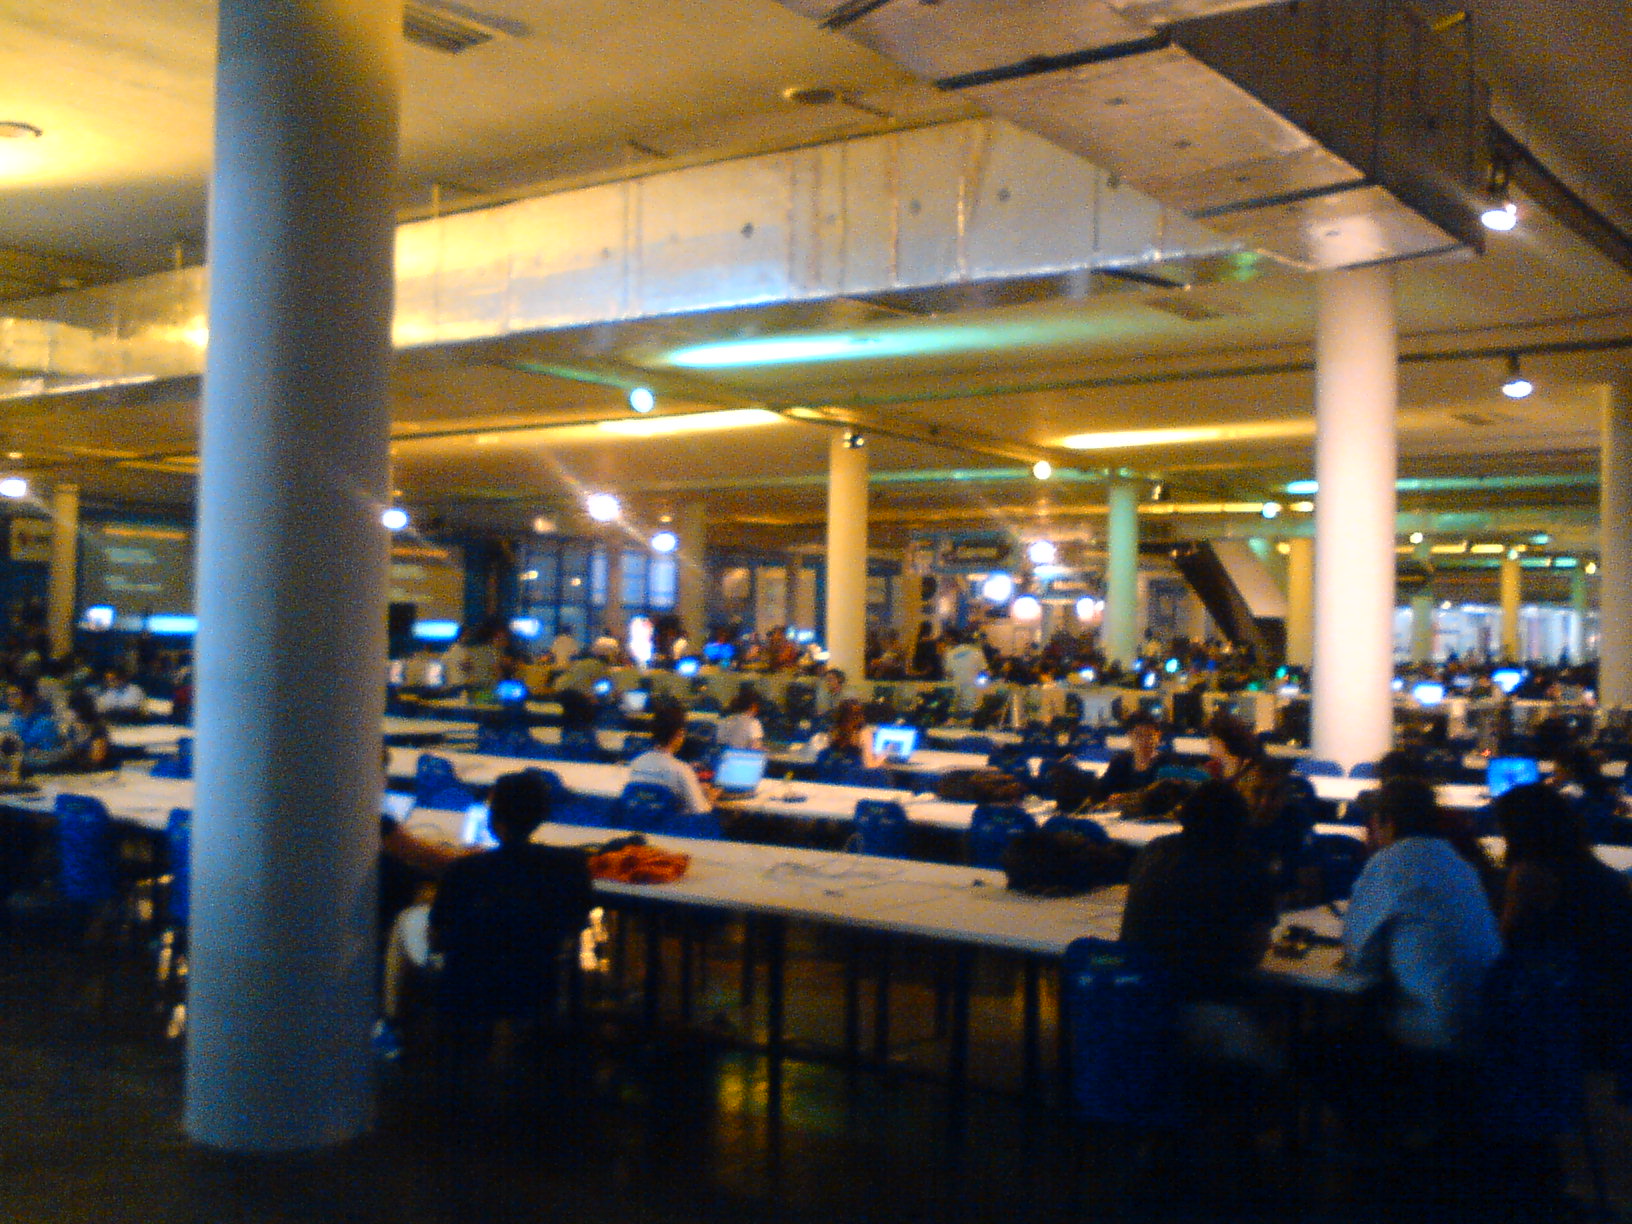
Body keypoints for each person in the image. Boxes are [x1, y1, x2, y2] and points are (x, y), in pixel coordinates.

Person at [378, 770, 594, 1049]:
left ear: (494, 818)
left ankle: (391, 1022)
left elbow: (437, 936)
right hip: (537, 983)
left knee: (406, 922)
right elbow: (577, 921)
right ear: (542, 815)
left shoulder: (465, 871)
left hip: (469, 987)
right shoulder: (571, 866)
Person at [1343, 777, 1502, 1054]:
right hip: (1484, 1029)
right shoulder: (1458, 862)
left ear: (1387, 822)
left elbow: (1359, 957)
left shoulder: (1389, 863)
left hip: (1427, 1036)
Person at [1494, 782, 1632, 1065]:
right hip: (1612, 1003)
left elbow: (1503, 946)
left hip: (1572, 1012)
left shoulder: (1531, 878)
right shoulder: (1595, 872)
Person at [1120, 781, 1279, 996]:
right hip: (1200, 995)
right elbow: (1255, 950)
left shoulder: (1155, 851)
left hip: (1132, 988)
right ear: (1242, 825)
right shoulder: (1247, 865)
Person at [627, 702, 714, 814]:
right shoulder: (682, 770)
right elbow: (701, 812)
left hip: (638, 822)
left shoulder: (636, 763)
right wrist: (710, 798)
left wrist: (697, 789)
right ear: (679, 734)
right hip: (670, 824)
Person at [1094, 712, 1169, 804]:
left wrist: (1127, 798)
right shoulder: (1119, 763)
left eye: (1149, 736)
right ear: (1130, 735)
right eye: (1139, 736)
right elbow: (1102, 791)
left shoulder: (1166, 763)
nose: (1144, 741)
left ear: (1158, 736)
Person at [61, 690, 114, 772]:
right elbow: (68, 749)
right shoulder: (72, 728)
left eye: (70, 709)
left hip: (95, 770)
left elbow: (97, 757)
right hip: (74, 767)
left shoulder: (97, 728)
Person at [824, 698, 882, 770]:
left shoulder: (833, 731)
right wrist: (884, 754)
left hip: (834, 772)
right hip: (855, 774)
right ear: (861, 714)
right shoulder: (864, 733)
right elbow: (869, 765)